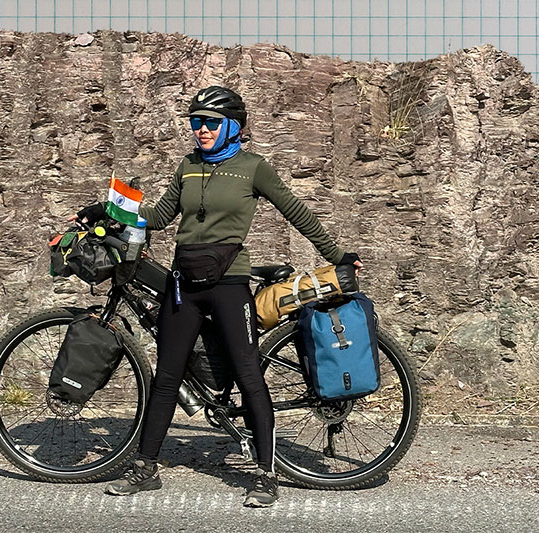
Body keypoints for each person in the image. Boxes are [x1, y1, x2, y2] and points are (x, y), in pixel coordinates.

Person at [72, 86, 362, 508]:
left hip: (229, 284)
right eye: (195, 122)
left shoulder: (253, 168)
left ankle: (265, 474)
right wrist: (108, 208)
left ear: (233, 128)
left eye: (210, 122)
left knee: (248, 375)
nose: (201, 130)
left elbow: (296, 212)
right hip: (183, 284)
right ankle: (145, 467)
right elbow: (158, 215)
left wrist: (338, 257)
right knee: (167, 377)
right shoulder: (187, 166)